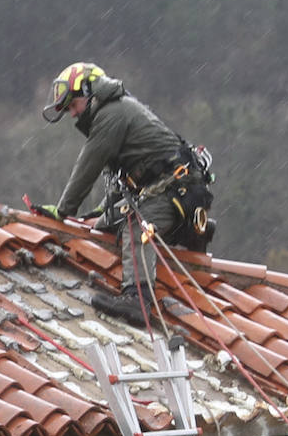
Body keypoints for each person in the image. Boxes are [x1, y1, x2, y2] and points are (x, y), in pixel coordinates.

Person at [39, 62, 214, 326]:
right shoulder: (117, 111)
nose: (73, 114)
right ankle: (189, 231)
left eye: (73, 105)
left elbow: (89, 164)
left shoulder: (111, 115)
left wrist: (64, 210)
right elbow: (123, 178)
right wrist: (102, 211)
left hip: (173, 191)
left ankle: (137, 299)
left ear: (90, 93)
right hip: (165, 190)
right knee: (103, 226)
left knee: (135, 227)